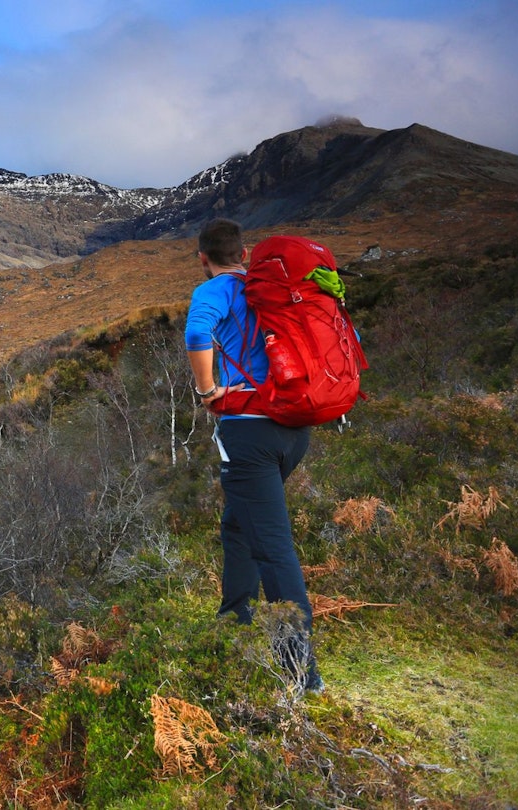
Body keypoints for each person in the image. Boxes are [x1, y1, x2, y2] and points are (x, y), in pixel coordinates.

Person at [184, 217, 322, 694]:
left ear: (204, 258)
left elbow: (197, 335)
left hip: (250, 431)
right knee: (238, 524)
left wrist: (207, 391)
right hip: (294, 430)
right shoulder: (277, 290)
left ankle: (301, 673)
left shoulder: (214, 292)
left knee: (272, 545)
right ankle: (234, 620)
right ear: (244, 255)